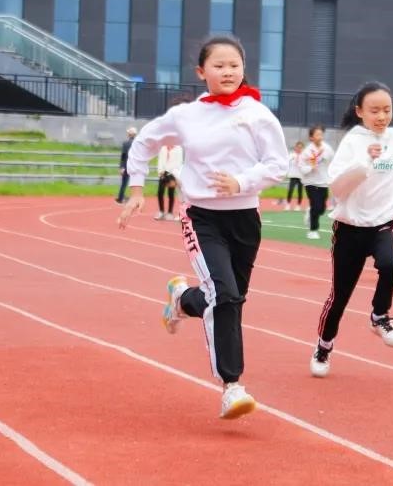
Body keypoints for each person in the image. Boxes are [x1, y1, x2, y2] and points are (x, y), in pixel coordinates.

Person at [117, 36, 288, 419]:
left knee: (231, 298)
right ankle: (232, 386)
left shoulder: (258, 114)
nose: (228, 72)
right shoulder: (186, 116)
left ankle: (181, 299)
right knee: (225, 295)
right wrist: (136, 189)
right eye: (219, 65)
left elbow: (278, 164)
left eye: (234, 65)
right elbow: (144, 142)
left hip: (245, 218)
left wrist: (241, 182)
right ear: (201, 72)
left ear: (244, 69)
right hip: (202, 216)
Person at [310, 83, 393, 378]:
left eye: (387, 110)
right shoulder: (353, 141)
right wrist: (364, 162)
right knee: (340, 297)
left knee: (390, 264)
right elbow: (337, 187)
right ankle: (323, 347)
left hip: (383, 221)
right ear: (360, 112)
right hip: (350, 228)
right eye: (374, 110)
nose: (381, 116)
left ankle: (380, 316)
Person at [299, 125, 334, 240]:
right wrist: (311, 167)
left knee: (322, 208)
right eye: (317, 134)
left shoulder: (327, 149)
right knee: (315, 205)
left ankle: (310, 212)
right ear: (311, 137)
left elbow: (333, 162)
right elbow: (302, 168)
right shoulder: (307, 152)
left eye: (321, 134)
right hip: (310, 182)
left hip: (323, 182)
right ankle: (313, 230)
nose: (320, 136)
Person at [153, 143, 183, 221]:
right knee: (160, 192)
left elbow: (179, 162)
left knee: (171, 193)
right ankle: (161, 211)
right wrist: (160, 171)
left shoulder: (178, 148)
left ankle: (170, 213)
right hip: (162, 173)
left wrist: (172, 173)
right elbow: (160, 160)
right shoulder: (163, 148)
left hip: (172, 173)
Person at [115, 126, 137, 204]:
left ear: (129, 134)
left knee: (124, 183)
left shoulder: (125, 143)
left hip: (127, 166)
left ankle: (120, 198)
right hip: (135, 166)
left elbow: (123, 156)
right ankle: (134, 199)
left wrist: (121, 167)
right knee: (135, 184)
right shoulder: (137, 144)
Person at [284, 141, 305, 210]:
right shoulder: (292, 155)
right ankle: (288, 204)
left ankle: (298, 205)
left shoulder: (304, 156)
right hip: (293, 176)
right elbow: (286, 161)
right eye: (298, 147)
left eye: (301, 148)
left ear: (303, 148)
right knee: (290, 190)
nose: (299, 149)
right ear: (295, 148)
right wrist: (291, 159)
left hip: (301, 176)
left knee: (300, 191)